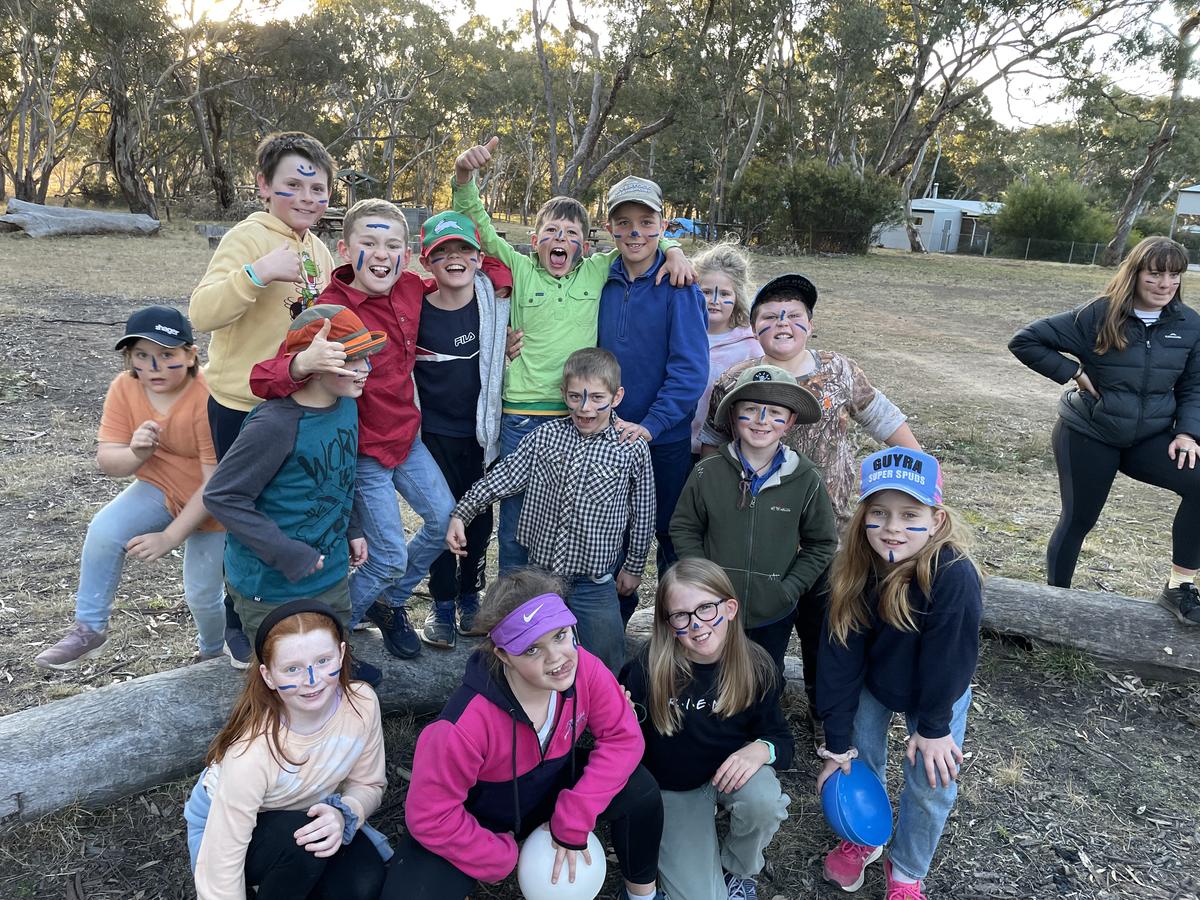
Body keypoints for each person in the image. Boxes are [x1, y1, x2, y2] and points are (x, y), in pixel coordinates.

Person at [250, 199, 510, 659]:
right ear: (344, 249)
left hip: (407, 438)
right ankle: (330, 634)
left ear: (407, 256)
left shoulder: (409, 287)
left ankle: (389, 601)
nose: (381, 254)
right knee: (387, 555)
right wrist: (303, 362)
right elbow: (262, 378)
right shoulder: (328, 311)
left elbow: (478, 266)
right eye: (368, 243)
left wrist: (502, 285)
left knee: (445, 519)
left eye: (392, 245)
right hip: (364, 451)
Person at [452, 136, 691, 573]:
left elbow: (639, 242)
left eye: (571, 235)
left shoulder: (596, 270)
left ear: (585, 246)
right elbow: (479, 226)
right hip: (522, 415)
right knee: (517, 521)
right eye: (550, 232)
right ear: (534, 240)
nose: (560, 239)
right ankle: (513, 602)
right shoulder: (521, 268)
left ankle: (559, 601)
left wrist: (674, 250)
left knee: (565, 516)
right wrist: (464, 177)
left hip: (576, 414)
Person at [700, 274, 921, 746]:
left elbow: (885, 419)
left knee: (829, 630)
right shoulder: (736, 380)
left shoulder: (839, 371)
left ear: (811, 324)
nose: (782, 323)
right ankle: (756, 711)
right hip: (759, 538)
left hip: (830, 537)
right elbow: (712, 446)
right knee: (760, 633)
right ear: (754, 328)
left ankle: (827, 714)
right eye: (770, 316)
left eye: (794, 316)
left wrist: (921, 475)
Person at [385, 567, 666, 900]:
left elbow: (623, 737)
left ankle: (643, 896)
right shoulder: (460, 728)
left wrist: (576, 814)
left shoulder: (584, 668)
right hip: (479, 815)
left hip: (551, 788)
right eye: (532, 649)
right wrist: (499, 856)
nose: (557, 658)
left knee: (640, 789)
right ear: (503, 655)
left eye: (560, 635)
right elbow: (430, 815)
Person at [190, 131, 338, 667]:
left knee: (286, 510)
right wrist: (257, 274)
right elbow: (202, 312)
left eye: (318, 189)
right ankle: (239, 618)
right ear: (263, 186)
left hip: (297, 403)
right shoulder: (248, 238)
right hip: (243, 404)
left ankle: (286, 607)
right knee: (246, 512)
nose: (307, 197)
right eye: (293, 185)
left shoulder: (318, 248)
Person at [816, 448, 982, 899]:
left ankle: (907, 869)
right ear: (863, 516)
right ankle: (865, 835)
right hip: (875, 680)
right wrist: (836, 741)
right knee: (856, 760)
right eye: (879, 513)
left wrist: (934, 728)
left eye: (910, 514)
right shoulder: (854, 567)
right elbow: (839, 656)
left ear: (936, 519)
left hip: (939, 691)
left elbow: (949, 659)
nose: (892, 527)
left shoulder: (954, 573)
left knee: (932, 782)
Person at [1008, 236, 1200, 623]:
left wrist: (1187, 433)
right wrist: (1075, 372)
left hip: (1149, 436)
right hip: (1090, 432)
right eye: (1155, 274)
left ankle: (1179, 588)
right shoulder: (1098, 314)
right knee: (1080, 519)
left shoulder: (1189, 324)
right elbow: (1026, 341)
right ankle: (1056, 604)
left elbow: (1193, 385)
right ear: (1135, 273)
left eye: (1174, 275)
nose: (1165, 284)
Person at [35, 306, 225, 670]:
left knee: (202, 594)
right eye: (141, 355)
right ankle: (90, 629)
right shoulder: (125, 387)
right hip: (160, 488)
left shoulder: (207, 397)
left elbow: (214, 484)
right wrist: (136, 453)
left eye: (166, 355)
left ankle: (212, 652)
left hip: (214, 507)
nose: (153, 367)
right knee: (104, 530)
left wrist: (169, 537)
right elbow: (108, 462)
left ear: (190, 355)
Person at [447, 348, 655, 673]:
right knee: (527, 656)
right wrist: (462, 513)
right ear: (563, 394)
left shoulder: (630, 447)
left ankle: (604, 703)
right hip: (540, 577)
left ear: (616, 397)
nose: (585, 407)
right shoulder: (545, 437)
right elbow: (504, 477)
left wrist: (634, 566)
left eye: (597, 397)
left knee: (606, 663)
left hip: (593, 582)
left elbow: (644, 510)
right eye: (575, 397)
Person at [204, 305, 385, 650]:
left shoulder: (346, 405)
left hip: (330, 574)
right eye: (351, 360)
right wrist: (286, 553)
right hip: (273, 587)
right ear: (313, 365)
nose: (366, 369)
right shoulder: (274, 425)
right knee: (286, 665)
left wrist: (353, 528)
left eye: (366, 357)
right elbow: (222, 497)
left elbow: (340, 476)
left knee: (334, 646)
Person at [185, 599, 388, 900]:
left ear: (342, 654)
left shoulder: (362, 704)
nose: (312, 681)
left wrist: (344, 813)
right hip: (223, 830)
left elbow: (369, 784)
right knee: (301, 847)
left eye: (323, 661)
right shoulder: (251, 753)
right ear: (268, 676)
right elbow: (220, 865)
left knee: (364, 883)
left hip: (304, 810)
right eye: (292, 669)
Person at [621, 558, 792, 900]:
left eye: (706, 608)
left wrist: (761, 748)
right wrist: (618, 716)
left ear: (729, 608)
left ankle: (739, 869)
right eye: (681, 615)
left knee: (764, 802)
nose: (697, 624)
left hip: (727, 776)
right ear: (668, 624)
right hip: (673, 789)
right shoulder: (648, 668)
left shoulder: (757, 666)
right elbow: (620, 744)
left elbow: (782, 741)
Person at [672, 363, 839, 672]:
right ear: (734, 416)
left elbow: (822, 543)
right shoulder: (707, 473)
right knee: (711, 675)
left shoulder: (806, 479)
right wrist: (704, 581)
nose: (762, 420)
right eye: (750, 409)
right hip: (713, 611)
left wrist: (789, 589)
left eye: (775, 412)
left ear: (790, 421)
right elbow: (684, 528)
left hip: (772, 612)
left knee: (764, 678)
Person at [598, 176, 709, 624]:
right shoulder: (599, 278)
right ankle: (610, 630)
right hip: (607, 435)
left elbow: (690, 370)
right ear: (609, 227)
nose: (635, 232)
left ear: (663, 225)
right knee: (611, 532)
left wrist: (653, 425)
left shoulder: (680, 287)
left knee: (668, 533)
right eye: (624, 222)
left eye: (646, 222)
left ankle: (676, 628)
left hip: (662, 439)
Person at [411, 210, 510, 648]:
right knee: (440, 517)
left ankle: (470, 595)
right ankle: (442, 601)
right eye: (443, 251)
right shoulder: (414, 310)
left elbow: (516, 269)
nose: (455, 258)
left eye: (464, 249)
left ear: (478, 257)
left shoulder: (495, 304)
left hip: (481, 435)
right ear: (426, 261)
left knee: (478, 519)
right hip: (432, 433)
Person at [689, 243, 759, 462]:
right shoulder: (681, 334)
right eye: (706, 292)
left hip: (723, 451)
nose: (714, 301)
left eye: (725, 293)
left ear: (737, 297)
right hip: (678, 445)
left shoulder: (750, 347)